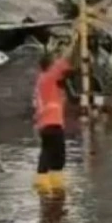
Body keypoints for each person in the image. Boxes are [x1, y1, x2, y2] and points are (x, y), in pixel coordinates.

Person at [34, 37, 77, 194]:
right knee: (58, 156)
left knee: (48, 152)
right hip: (52, 122)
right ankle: (53, 185)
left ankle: (45, 185)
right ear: (50, 65)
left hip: (44, 123)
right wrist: (76, 39)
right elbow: (67, 58)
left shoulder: (42, 79)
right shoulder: (50, 76)